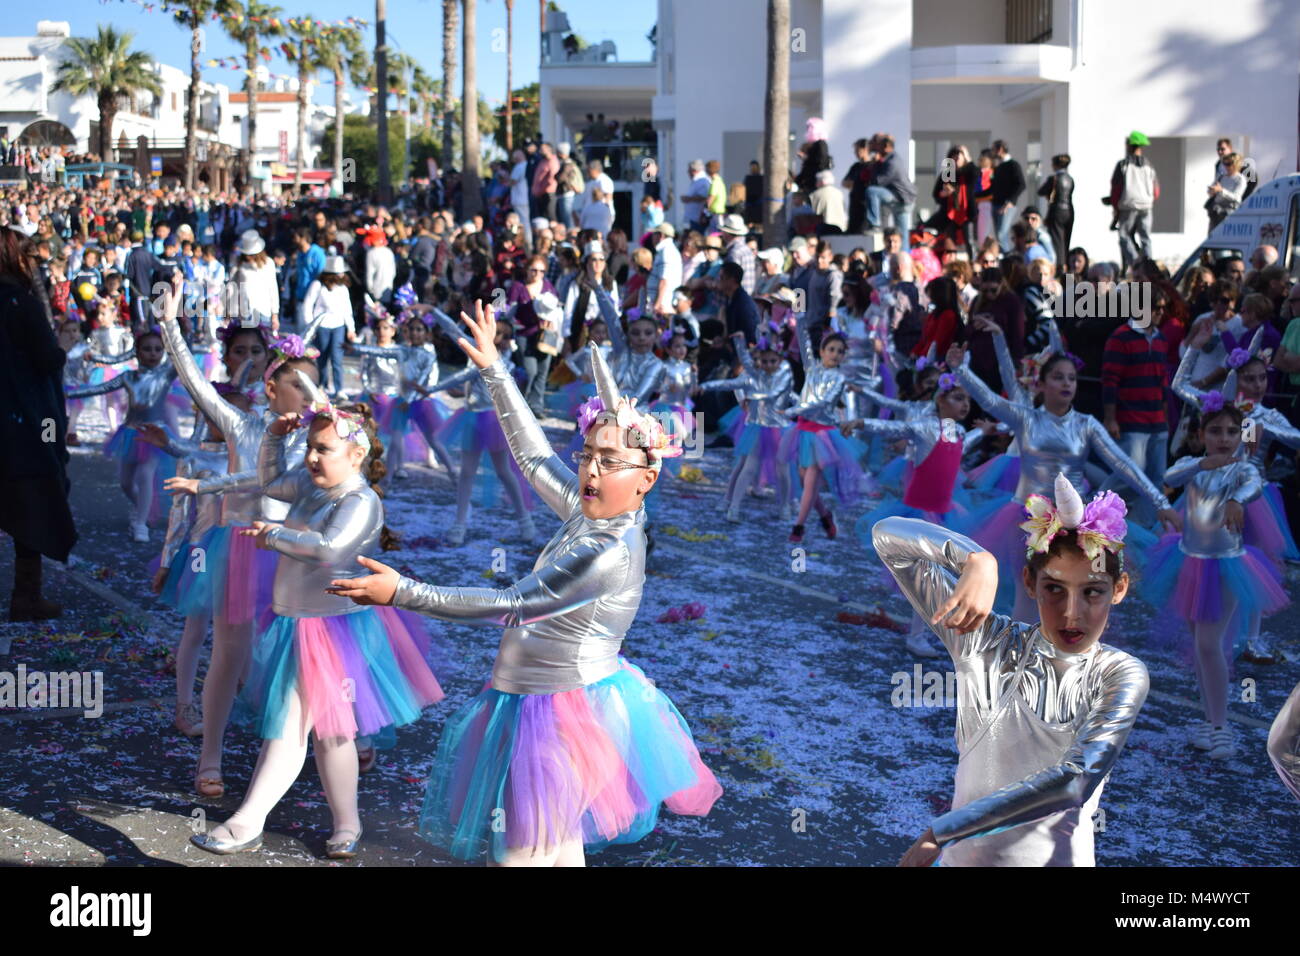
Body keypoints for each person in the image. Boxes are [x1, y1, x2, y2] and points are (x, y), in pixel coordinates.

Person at [329, 309, 722, 866]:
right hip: (539, 699)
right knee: (553, 850)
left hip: (563, 714)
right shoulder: (594, 516)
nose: (590, 471)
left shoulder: (608, 548)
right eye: (587, 455)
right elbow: (535, 457)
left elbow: (514, 605)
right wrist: (496, 372)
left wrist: (403, 592)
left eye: (609, 462)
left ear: (646, 478)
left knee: (520, 854)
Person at [190, 401, 445, 857]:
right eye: (308, 446)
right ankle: (275, 821)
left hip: (334, 631)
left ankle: (319, 823)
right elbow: (269, 481)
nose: (310, 457)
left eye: (322, 449)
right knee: (298, 729)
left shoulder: (360, 501)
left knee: (330, 733)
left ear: (355, 455)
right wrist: (272, 437)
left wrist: (273, 535)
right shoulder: (310, 483)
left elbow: (328, 549)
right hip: (296, 623)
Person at [876, 475, 1149, 867]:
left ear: (1119, 589)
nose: (1072, 613)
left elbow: (1074, 781)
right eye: (1054, 588)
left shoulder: (1120, 673)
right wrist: (975, 559)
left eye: (1092, 591)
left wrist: (943, 832)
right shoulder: (984, 642)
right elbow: (887, 537)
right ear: (1030, 583)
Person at [947, 343, 1179, 619]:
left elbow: (1123, 463)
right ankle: (1023, 655)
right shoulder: (1026, 418)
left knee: (1068, 592)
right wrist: (960, 369)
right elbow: (988, 400)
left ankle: (1059, 651)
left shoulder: (1086, 424)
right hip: (1027, 517)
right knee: (1029, 590)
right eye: (1058, 377)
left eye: (1071, 378)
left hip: (1072, 523)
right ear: (1042, 384)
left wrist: (1160, 500)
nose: (1066, 383)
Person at [1144, 402, 1288, 759]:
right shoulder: (1194, 468)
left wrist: (1238, 500)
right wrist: (1202, 462)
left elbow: (1255, 485)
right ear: (1200, 435)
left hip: (1226, 566)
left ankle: (1222, 727)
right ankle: (1210, 721)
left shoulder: (1242, 471)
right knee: (1200, 646)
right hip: (1189, 560)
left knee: (1210, 645)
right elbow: (1172, 476)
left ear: (1241, 435)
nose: (1224, 439)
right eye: (1215, 431)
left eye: (1230, 432)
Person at [0, 229, 76, 621]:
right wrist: (62, 345)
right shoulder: (21, 303)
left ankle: (26, 597)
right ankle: (25, 596)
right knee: (30, 500)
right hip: (23, 421)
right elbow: (47, 360)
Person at [300, 255, 355, 400]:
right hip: (322, 326)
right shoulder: (318, 285)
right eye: (339, 273)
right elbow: (307, 305)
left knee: (337, 358)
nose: (342, 275)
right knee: (322, 358)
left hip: (338, 326)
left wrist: (351, 328)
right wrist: (310, 326)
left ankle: (339, 388)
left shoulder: (343, 288)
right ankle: (321, 386)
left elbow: (347, 309)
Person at [1108, 132, 1159, 272]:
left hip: (1129, 205)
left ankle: (1136, 264)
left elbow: (1116, 188)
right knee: (1146, 237)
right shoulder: (1149, 165)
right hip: (1147, 206)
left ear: (1129, 145)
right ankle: (1149, 267)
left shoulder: (1123, 164)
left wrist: (1115, 206)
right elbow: (1156, 191)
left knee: (1124, 236)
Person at [864, 135, 916, 250]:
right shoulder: (890, 159)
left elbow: (878, 181)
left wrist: (875, 164)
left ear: (887, 147)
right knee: (902, 233)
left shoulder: (892, 162)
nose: (876, 148)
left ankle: (875, 224)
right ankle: (905, 253)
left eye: (879, 145)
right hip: (902, 199)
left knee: (872, 191)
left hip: (901, 199)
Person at [978, 140, 1025, 255]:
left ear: (1000, 150)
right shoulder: (999, 167)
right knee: (999, 234)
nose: (992, 153)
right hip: (996, 204)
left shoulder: (1013, 165)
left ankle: (1008, 258)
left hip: (1006, 205)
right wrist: (977, 195)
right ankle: (1003, 257)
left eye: (994, 149)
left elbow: (1021, 184)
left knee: (1001, 234)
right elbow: (993, 187)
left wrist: (1010, 202)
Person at [1037, 154, 1074, 266]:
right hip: (1069, 210)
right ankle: (1066, 264)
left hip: (1056, 210)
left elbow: (1041, 191)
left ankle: (1059, 265)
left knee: (1057, 240)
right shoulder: (1070, 178)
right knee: (1066, 239)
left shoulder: (1054, 179)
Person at [646, 222, 683, 319]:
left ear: (661, 235)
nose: (652, 237)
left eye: (654, 234)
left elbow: (664, 281)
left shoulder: (666, 252)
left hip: (662, 307)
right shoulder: (667, 250)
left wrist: (657, 305)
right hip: (663, 305)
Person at [292, 227, 325, 333]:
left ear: (303, 238)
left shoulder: (317, 253)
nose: (293, 240)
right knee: (301, 332)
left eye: (296, 237)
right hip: (301, 297)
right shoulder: (300, 254)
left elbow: (321, 275)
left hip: (314, 300)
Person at [1206, 152, 1247, 233]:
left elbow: (1237, 198)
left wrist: (1221, 190)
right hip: (1215, 212)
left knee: (1224, 237)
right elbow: (1212, 190)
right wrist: (1212, 191)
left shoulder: (1240, 179)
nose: (1226, 166)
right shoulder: (1221, 177)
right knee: (1212, 238)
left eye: (1228, 164)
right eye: (1224, 163)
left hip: (1229, 213)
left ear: (1236, 164)